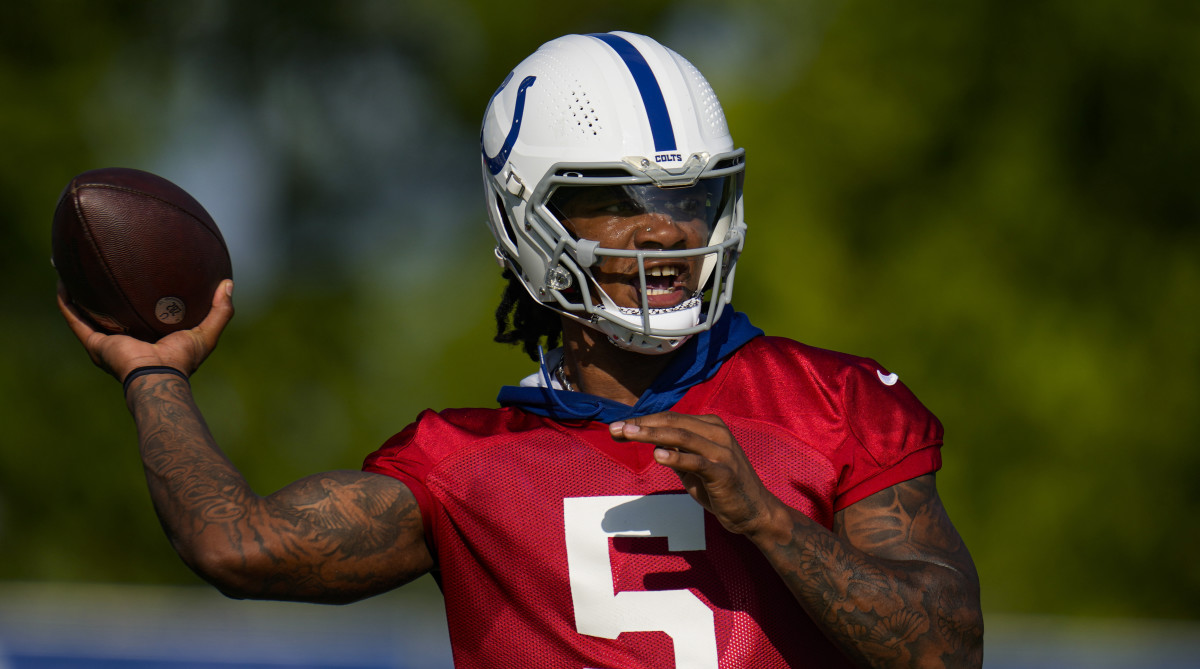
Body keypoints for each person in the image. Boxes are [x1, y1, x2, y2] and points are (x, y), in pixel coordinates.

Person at [59, 31, 982, 669]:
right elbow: (236, 544)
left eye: (688, 199)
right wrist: (153, 374)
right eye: (617, 201)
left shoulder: (834, 401)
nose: (663, 233)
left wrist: (775, 523)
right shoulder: (464, 468)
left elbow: (949, 647)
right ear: (530, 220)